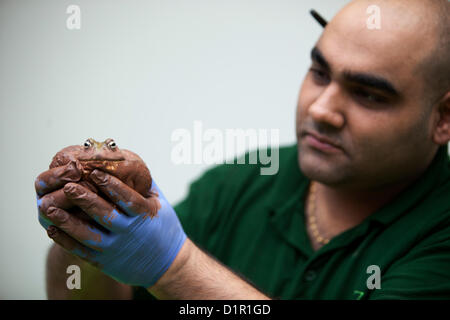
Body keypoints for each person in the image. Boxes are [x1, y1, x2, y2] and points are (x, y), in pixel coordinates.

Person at [36, 0, 450, 300]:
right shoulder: (240, 182)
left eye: (368, 94)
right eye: (319, 72)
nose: (322, 109)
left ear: (443, 117)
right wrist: (83, 237)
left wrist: (177, 267)